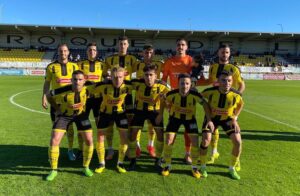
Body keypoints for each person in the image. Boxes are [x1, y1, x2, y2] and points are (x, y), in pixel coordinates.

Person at [197, 44, 245, 164]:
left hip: (229, 106)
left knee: (233, 136)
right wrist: (197, 83)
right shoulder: (213, 67)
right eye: (222, 52)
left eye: (227, 52)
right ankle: (214, 152)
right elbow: (210, 81)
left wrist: (235, 97)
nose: (224, 54)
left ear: (229, 54)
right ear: (218, 53)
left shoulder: (234, 68)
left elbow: (241, 84)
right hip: (215, 102)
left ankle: (231, 159)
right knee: (213, 130)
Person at [159, 73, 214, 178]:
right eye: (182, 83)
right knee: (169, 140)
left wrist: (209, 120)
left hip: (190, 120)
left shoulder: (195, 95)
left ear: (191, 84)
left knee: (195, 141)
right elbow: (164, 102)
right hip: (175, 118)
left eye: (187, 83)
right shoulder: (171, 94)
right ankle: (168, 165)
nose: (185, 85)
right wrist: (162, 113)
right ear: (178, 84)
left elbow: (205, 105)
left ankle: (194, 167)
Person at [45, 70, 94, 181]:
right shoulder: (64, 89)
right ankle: (53, 170)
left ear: (84, 80)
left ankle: (86, 167)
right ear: (71, 80)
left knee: (89, 140)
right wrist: (57, 109)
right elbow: (48, 95)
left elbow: (102, 85)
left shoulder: (89, 86)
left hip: (81, 115)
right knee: (54, 140)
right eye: (75, 79)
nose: (77, 82)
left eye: (80, 79)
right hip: (65, 116)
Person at [199, 70, 244, 180]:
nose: (227, 83)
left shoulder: (236, 95)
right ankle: (202, 166)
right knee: (206, 140)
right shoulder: (210, 91)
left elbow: (240, 105)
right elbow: (199, 98)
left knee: (238, 141)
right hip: (212, 119)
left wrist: (235, 118)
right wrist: (207, 114)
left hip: (227, 120)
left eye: (229, 80)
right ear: (218, 81)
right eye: (223, 80)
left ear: (232, 81)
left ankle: (231, 168)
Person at [128, 64, 170, 171]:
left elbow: (171, 98)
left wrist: (164, 106)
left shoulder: (163, 86)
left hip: (155, 112)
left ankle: (158, 160)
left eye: (151, 75)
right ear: (143, 75)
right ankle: (132, 160)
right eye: (146, 75)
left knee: (160, 135)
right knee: (133, 133)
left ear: (156, 76)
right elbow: (122, 84)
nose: (148, 77)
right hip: (139, 111)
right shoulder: (137, 83)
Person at [93, 66, 133, 174]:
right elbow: (88, 88)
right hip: (105, 114)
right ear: (111, 76)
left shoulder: (129, 86)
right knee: (100, 137)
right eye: (115, 77)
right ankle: (101, 163)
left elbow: (144, 84)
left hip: (120, 114)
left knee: (124, 138)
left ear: (124, 76)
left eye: (120, 77)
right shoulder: (103, 85)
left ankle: (120, 162)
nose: (117, 80)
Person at [42, 43, 78, 161]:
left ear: (68, 52)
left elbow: (79, 83)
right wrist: (44, 97)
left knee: (70, 128)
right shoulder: (51, 67)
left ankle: (70, 150)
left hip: (70, 103)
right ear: (58, 52)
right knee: (55, 128)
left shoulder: (74, 66)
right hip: (56, 103)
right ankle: (53, 151)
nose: (63, 53)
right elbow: (47, 83)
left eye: (65, 51)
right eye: (61, 51)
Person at [104, 36, 138, 159]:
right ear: (118, 45)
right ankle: (110, 149)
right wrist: (107, 78)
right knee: (110, 122)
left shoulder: (133, 59)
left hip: (127, 94)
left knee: (129, 121)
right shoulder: (110, 59)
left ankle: (128, 147)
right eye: (120, 44)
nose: (122, 46)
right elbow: (104, 73)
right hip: (112, 94)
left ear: (128, 45)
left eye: (124, 44)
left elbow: (139, 73)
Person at [162, 38, 194, 164]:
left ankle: (187, 154)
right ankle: (167, 153)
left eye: (183, 45)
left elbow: (197, 78)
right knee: (172, 129)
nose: (180, 47)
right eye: (178, 45)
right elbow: (164, 80)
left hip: (188, 99)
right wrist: (167, 99)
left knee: (188, 130)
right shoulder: (169, 62)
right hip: (174, 100)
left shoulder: (191, 61)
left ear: (186, 47)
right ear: (176, 47)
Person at [76, 43, 107, 158]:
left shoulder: (102, 65)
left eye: (94, 50)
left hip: (99, 100)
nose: (92, 52)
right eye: (90, 50)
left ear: (97, 52)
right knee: (81, 125)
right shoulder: (80, 64)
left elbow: (106, 78)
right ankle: (80, 149)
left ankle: (100, 149)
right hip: (85, 100)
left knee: (100, 126)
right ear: (87, 51)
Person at [133, 44, 164, 157]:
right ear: (142, 53)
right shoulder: (137, 64)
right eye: (146, 52)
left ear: (154, 54)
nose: (148, 55)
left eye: (151, 53)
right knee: (138, 126)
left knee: (152, 126)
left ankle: (150, 145)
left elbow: (163, 78)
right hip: (140, 100)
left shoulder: (160, 64)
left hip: (154, 100)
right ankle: (137, 146)